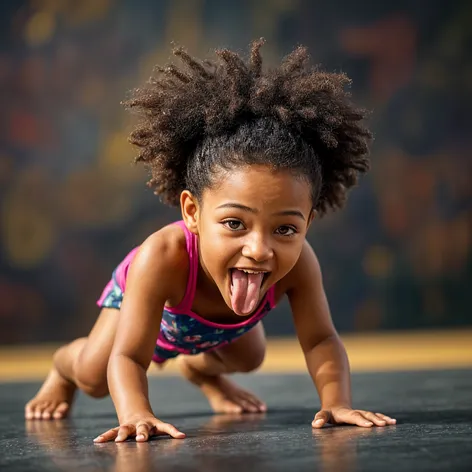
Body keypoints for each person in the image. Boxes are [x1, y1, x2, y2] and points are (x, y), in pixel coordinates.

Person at [25, 39, 396, 442]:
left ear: (308, 220)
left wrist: (337, 402)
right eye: (235, 223)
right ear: (192, 213)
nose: (259, 249)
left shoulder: (301, 263)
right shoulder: (161, 257)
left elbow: (322, 339)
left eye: (285, 229)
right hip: (144, 313)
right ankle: (61, 367)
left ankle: (202, 373)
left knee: (250, 356)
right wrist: (137, 414)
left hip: (208, 334)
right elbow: (129, 356)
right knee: (94, 377)